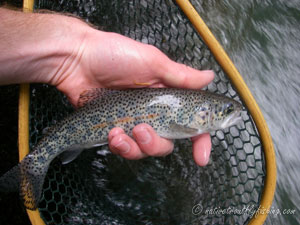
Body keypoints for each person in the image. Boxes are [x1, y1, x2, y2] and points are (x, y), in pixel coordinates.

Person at [0, 8, 214, 166]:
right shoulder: (191, 124)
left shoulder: (193, 117)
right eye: (227, 112)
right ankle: (33, 167)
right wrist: (76, 53)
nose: (233, 114)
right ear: (205, 114)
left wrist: (76, 52)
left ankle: (33, 166)